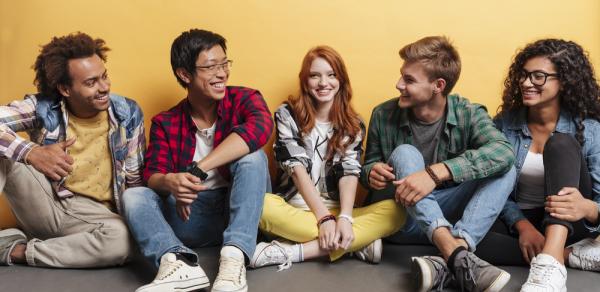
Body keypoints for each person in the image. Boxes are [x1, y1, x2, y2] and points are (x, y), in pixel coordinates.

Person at [360, 36, 516, 292]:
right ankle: (455, 253)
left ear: (438, 85)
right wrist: (371, 173)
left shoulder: (469, 113)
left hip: (448, 218)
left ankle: (454, 253)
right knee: (405, 153)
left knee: (506, 167)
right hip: (400, 218)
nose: (398, 84)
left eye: (409, 80)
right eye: (402, 76)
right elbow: (368, 168)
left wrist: (434, 173)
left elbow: (504, 152)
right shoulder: (383, 114)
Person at [122, 29, 273, 292]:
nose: (222, 73)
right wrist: (171, 182)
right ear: (184, 74)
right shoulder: (165, 122)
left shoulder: (245, 99)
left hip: (243, 209)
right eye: (211, 66)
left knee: (252, 156)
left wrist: (198, 169)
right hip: (193, 217)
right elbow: (152, 175)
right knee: (134, 195)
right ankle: (178, 263)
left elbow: (260, 129)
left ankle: (234, 257)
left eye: (225, 64)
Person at [249, 46, 405, 271]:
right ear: (305, 80)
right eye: (315, 75)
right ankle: (355, 244)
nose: (324, 83)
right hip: (294, 212)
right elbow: (296, 168)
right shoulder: (287, 114)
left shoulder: (353, 123)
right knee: (260, 205)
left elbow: (349, 171)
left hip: (337, 212)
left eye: (331, 75)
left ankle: (292, 251)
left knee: (397, 211)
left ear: (341, 80)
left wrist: (345, 218)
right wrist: (323, 219)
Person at [0, 32, 144, 268]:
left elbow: (134, 180)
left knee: (122, 240)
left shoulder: (127, 113)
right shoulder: (44, 108)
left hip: (95, 217)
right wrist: (32, 152)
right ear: (65, 89)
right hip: (45, 200)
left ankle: (14, 250)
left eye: (104, 76)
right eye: (91, 82)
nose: (104, 87)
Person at [491, 39, 600, 292]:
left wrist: (587, 207)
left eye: (538, 76)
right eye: (524, 75)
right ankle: (569, 255)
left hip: (572, 223)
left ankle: (550, 266)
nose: (526, 83)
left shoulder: (591, 130)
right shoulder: (504, 125)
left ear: (564, 82)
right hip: (523, 222)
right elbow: (495, 190)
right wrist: (524, 227)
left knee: (561, 144)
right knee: (468, 237)